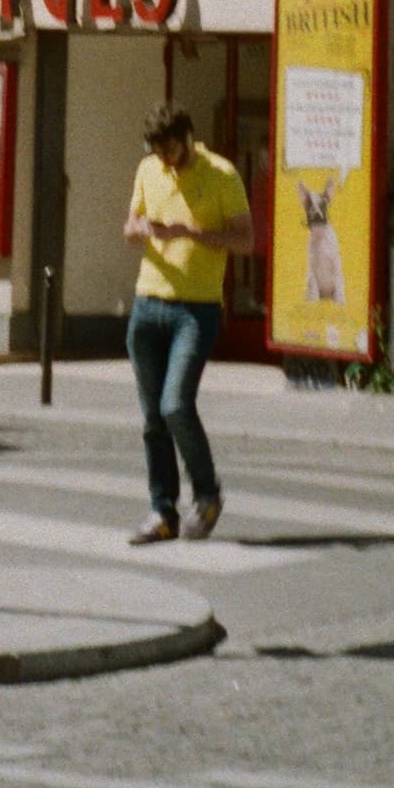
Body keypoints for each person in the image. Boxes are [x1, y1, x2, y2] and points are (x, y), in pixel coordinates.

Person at [122, 105, 255, 543]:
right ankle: (163, 511)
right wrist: (141, 229)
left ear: (188, 136)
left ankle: (207, 493)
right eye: (158, 152)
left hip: (195, 310)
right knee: (151, 418)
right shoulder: (148, 168)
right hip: (148, 303)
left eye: (172, 151)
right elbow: (129, 225)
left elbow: (246, 239)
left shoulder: (222, 174)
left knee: (175, 404)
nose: (165, 160)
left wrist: (192, 234)